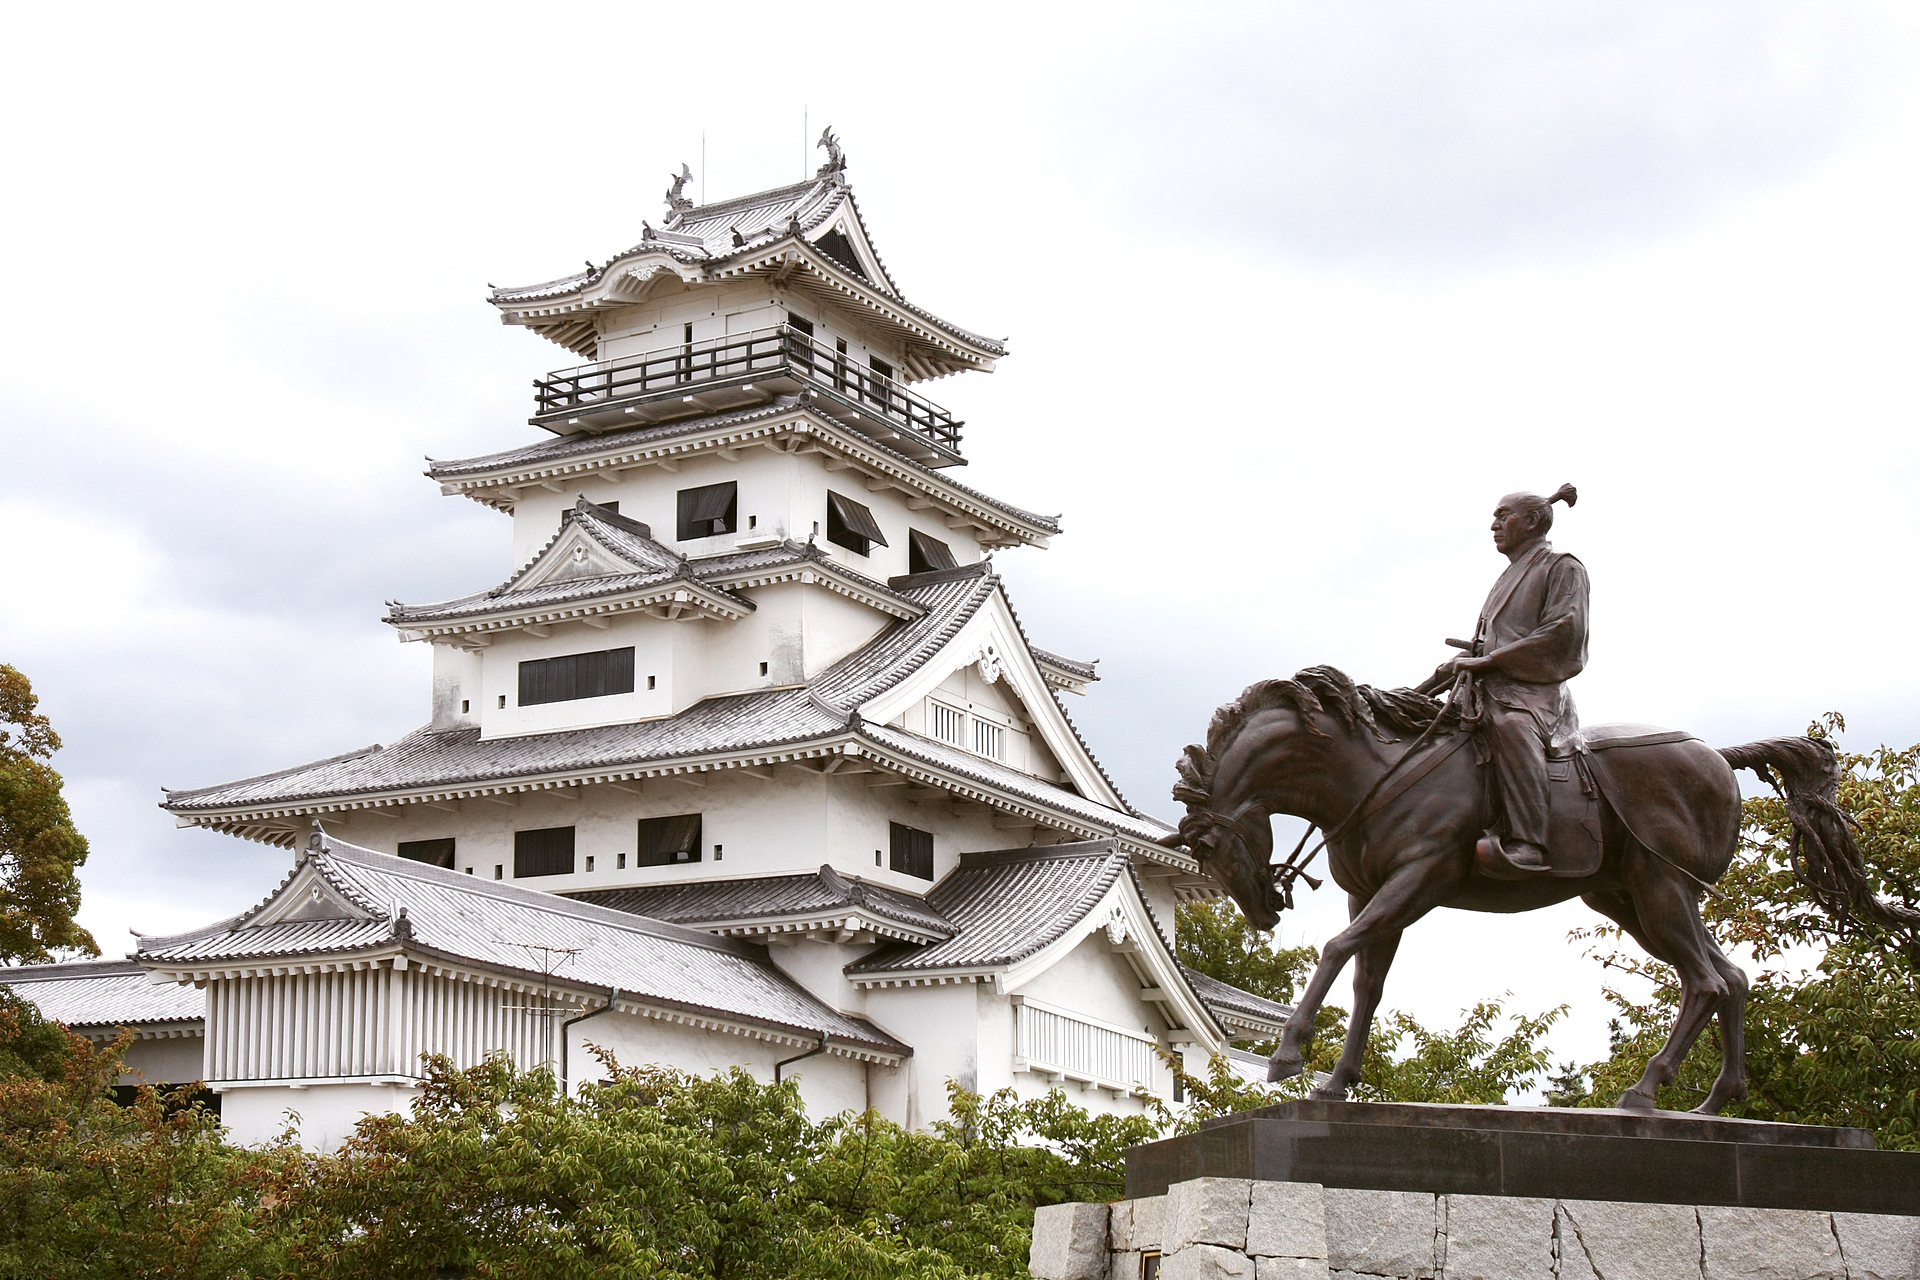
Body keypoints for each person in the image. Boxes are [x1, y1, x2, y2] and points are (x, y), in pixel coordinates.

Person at [1432, 484, 1587, 874]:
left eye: (1503, 515)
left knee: (1510, 727)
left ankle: (1528, 841)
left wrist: (1492, 660)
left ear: (1532, 521)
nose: (1493, 525)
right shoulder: (1508, 575)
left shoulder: (1563, 567)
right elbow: (1482, 647)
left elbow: (1563, 633)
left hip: (1533, 695)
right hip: (1489, 688)